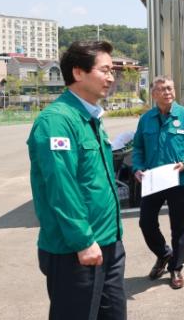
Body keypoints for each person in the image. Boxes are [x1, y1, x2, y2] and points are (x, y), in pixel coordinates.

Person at [27, 41, 126, 320]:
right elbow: (62, 187)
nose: (111, 78)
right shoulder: (57, 121)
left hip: (108, 241)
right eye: (104, 70)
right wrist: (83, 241)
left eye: (112, 71)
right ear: (78, 72)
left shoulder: (90, 117)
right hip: (76, 249)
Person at [132, 75, 184, 289]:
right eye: (162, 89)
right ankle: (163, 254)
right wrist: (137, 167)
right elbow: (138, 147)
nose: (167, 92)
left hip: (178, 180)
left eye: (170, 88)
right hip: (153, 180)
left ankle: (176, 268)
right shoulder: (146, 119)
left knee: (179, 226)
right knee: (146, 222)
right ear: (153, 94)